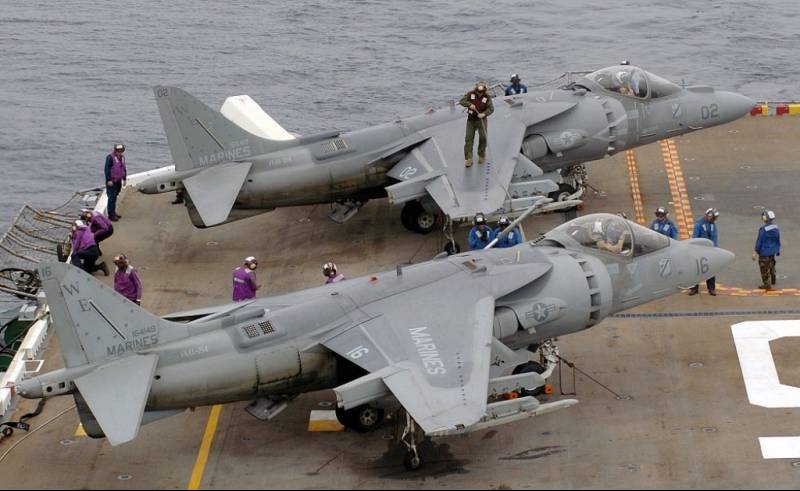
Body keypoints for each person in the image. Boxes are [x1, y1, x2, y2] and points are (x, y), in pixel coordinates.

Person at [459, 81, 494, 167]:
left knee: (483, 137)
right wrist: (469, 104)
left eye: (481, 90)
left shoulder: (487, 97)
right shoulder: (470, 94)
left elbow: (491, 109)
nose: (479, 92)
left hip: (481, 120)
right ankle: (468, 158)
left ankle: (481, 154)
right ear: (476, 88)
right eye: (478, 90)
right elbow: (462, 101)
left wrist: (484, 114)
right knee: (468, 138)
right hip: (471, 120)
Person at [689, 208, 720, 296]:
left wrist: (715, 249)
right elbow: (695, 238)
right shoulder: (699, 224)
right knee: (696, 270)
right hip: (699, 250)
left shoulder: (713, 225)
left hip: (710, 251)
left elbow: (715, 237)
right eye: (713, 217)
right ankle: (694, 288)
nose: (714, 220)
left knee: (711, 270)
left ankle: (711, 288)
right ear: (708, 215)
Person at [753, 210, 781, 290]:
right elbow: (777, 239)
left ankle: (766, 284)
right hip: (772, 251)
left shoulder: (763, 229)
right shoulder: (776, 228)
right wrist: (777, 250)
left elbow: (759, 241)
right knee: (772, 264)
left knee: (764, 268)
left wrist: (755, 252)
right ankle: (773, 279)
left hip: (764, 252)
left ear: (765, 218)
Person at [104, 143, 127, 221]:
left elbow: (123, 168)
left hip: (118, 181)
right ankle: (111, 215)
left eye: (121, 151)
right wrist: (109, 180)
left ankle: (113, 212)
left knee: (115, 196)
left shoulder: (122, 158)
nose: (120, 152)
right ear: (115, 150)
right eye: (118, 151)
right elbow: (107, 170)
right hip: (112, 181)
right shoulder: (110, 158)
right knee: (111, 197)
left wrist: (124, 178)